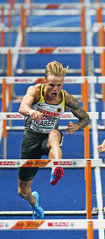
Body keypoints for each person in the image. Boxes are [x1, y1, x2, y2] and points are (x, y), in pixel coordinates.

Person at [18, 61, 90, 219]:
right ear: (44, 81)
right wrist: (31, 112)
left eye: (59, 85)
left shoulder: (66, 98)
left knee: (54, 136)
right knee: (23, 191)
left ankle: (56, 167)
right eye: (51, 85)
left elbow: (86, 118)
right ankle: (34, 202)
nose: (55, 89)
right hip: (31, 139)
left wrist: (76, 126)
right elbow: (22, 106)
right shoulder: (35, 91)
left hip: (49, 138)